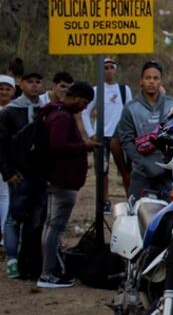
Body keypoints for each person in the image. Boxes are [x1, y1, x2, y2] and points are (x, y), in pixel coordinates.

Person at [37, 81, 99, 288]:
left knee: (51, 226)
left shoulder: (55, 112)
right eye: (83, 102)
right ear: (75, 96)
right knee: (55, 227)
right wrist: (84, 146)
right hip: (62, 180)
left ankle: (50, 270)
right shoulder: (61, 116)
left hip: (58, 179)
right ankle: (48, 274)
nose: (83, 107)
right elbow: (58, 145)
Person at [0, 71, 47, 279]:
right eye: (30, 82)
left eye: (38, 82)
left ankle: (27, 259)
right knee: (14, 217)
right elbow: (2, 146)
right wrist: (8, 172)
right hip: (18, 175)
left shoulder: (44, 110)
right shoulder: (10, 112)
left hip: (38, 173)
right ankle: (11, 258)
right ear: (21, 84)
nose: (34, 86)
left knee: (34, 218)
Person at [115, 61, 173, 200]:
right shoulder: (131, 108)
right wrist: (143, 163)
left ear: (161, 82)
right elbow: (126, 141)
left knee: (169, 216)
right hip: (141, 174)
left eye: (155, 78)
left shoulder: (172, 105)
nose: (151, 82)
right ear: (141, 81)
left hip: (168, 173)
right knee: (137, 214)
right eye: (148, 78)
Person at [81, 58, 133, 209]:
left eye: (111, 67)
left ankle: (130, 200)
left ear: (115, 70)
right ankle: (104, 201)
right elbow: (85, 111)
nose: (109, 70)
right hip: (102, 135)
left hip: (120, 136)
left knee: (125, 170)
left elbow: (129, 112)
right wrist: (91, 133)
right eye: (105, 67)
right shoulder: (96, 90)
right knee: (102, 172)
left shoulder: (124, 90)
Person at [0, 75, 14, 252]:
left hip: (7, 160)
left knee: (5, 196)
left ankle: (5, 235)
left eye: (7, 89)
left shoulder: (14, 109)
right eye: (1, 89)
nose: (4, 92)